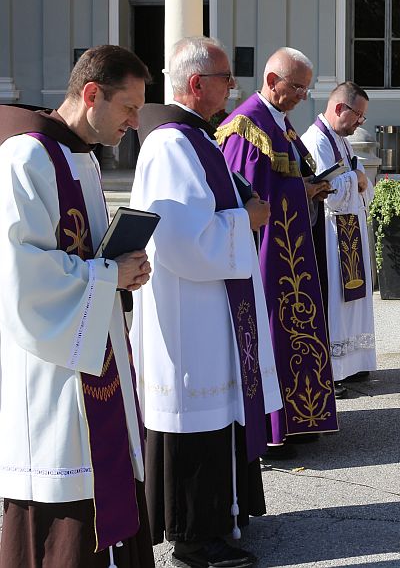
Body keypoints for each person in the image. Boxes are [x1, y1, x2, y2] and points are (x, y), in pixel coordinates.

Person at [129, 37, 284, 568]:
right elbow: (177, 240)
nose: (233, 87)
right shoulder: (172, 145)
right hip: (189, 315)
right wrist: (247, 221)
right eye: (224, 77)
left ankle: (222, 516)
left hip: (211, 307)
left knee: (217, 416)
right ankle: (195, 538)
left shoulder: (196, 139)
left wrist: (240, 210)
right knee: (197, 417)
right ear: (196, 84)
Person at [0, 45, 154, 567]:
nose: (135, 123)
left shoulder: (80, 157)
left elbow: (86, 253)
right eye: (129, 108)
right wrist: (109, 275)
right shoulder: (25, 156)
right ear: (91, 94)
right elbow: (22, 274)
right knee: (66, 491)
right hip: (52, 367)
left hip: (93, 349)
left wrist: (121, 269)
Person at [217, 47, 338, 459]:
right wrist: (300, 190)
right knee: (274, 331)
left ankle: (301, 418)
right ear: (272, 81)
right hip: (268, 254)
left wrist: (310, 187)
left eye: (306, 87)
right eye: (298, 87)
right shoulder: (246, 128)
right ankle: (273, 427)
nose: (305, 96)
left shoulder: (279, 124)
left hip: (292, 251)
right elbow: (245, 197)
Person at [300, 82, 377, 398]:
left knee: (354, 301)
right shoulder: (314, 140)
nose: (361, 122)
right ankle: (332, 370)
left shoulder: (340, 141)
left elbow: (355, 176)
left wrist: (357, 177)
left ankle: (352, 364)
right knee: (335, 301)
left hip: (348, 232)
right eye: (357, 115)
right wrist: (355, 178)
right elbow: (325, 191)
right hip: (330, 236)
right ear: (339, 108)